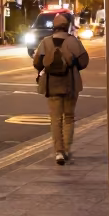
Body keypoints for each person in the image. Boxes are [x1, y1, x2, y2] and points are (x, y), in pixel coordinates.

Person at [33, 12, 88, 165]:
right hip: (70, 84)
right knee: (69, 117)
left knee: (55, 119)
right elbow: (84, 62)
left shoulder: (45, 42)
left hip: (51, 85)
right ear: (68, 26)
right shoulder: (73, 41)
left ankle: (58, 151)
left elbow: (37, 63)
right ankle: (67, 149)